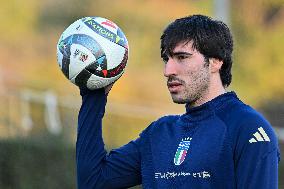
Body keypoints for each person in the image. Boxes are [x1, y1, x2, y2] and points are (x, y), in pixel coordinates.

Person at [76, 15, 280, 189]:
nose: (168, 71)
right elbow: (93, 181)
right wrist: (93, 93)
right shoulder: (158, 133)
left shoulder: (248, 129)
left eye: (182, 57)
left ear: (216, 61)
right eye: (167, 59)